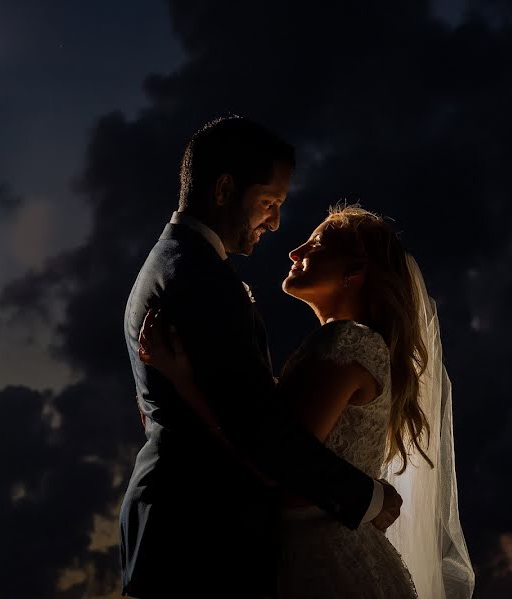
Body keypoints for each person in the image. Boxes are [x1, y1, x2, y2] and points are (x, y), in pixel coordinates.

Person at [118, 116, 402, 599]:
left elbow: (247, 409)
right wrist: (368, 498)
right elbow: (264, 436)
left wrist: (182, 388)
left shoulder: (173, 263)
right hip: (199, 532)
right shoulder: (201, 279)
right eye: (269, 203)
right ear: (226, 189)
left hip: (184, 523)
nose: (274, 223)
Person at [139, 205, 475, 597]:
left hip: (321, 567)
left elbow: (279, 467)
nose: (294, 252)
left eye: (315, 245)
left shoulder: (346, 345)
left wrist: (185, 385)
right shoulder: (340, 346)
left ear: (354, 272)